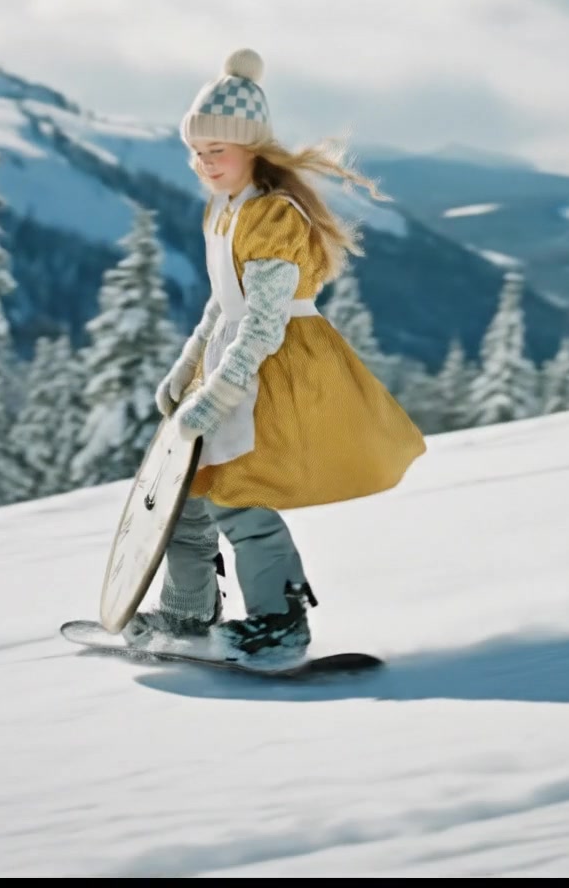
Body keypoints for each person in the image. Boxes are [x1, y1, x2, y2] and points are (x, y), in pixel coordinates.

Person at [127, 47, 426, 663]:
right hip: (232, 363)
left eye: (218, 149)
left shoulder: (271, 216)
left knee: (239, 496)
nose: (205, 163)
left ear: (253, 147)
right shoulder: (225, 209)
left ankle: (279, 623)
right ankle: (188, 611)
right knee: (187, 495)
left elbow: (263, 323)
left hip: (274, 368)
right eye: (197, 151)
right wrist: (186, 367)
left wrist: (217, 393)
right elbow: (223, 304)